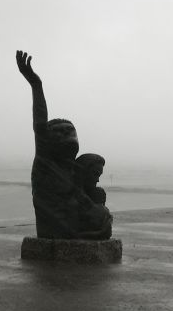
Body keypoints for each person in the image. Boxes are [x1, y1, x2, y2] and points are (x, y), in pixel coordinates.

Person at [16, 50, 112, 240]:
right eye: (60, 132)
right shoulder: (45, 161)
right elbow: (40, 123)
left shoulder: (72, 169)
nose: (67, 134)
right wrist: (36, 84)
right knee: (100, 216)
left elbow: (83, 196)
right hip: (55, 224)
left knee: (101, 209)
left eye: (70, 131)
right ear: (48, 139)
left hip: (72, 218)